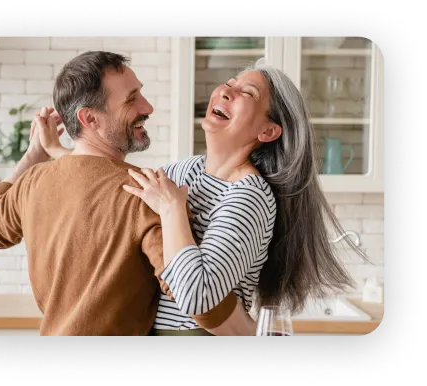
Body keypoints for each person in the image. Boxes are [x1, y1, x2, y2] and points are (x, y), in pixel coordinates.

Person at [37, 59, 366, 335]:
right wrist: (61, 151)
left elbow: (198, 297)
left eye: (246, 93)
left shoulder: (249, 197)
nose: (225, 90)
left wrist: (172, 210)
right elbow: (121, 188)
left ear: (267, 132)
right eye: (229, 84)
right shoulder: (186, 171)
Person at [0, 51, 254, 336]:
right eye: (131, 100)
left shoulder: (34, 181)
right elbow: (196, 300)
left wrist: (33, 155)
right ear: (90, 119)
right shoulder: (145, 194)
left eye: (140, 93)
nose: (148, 107)